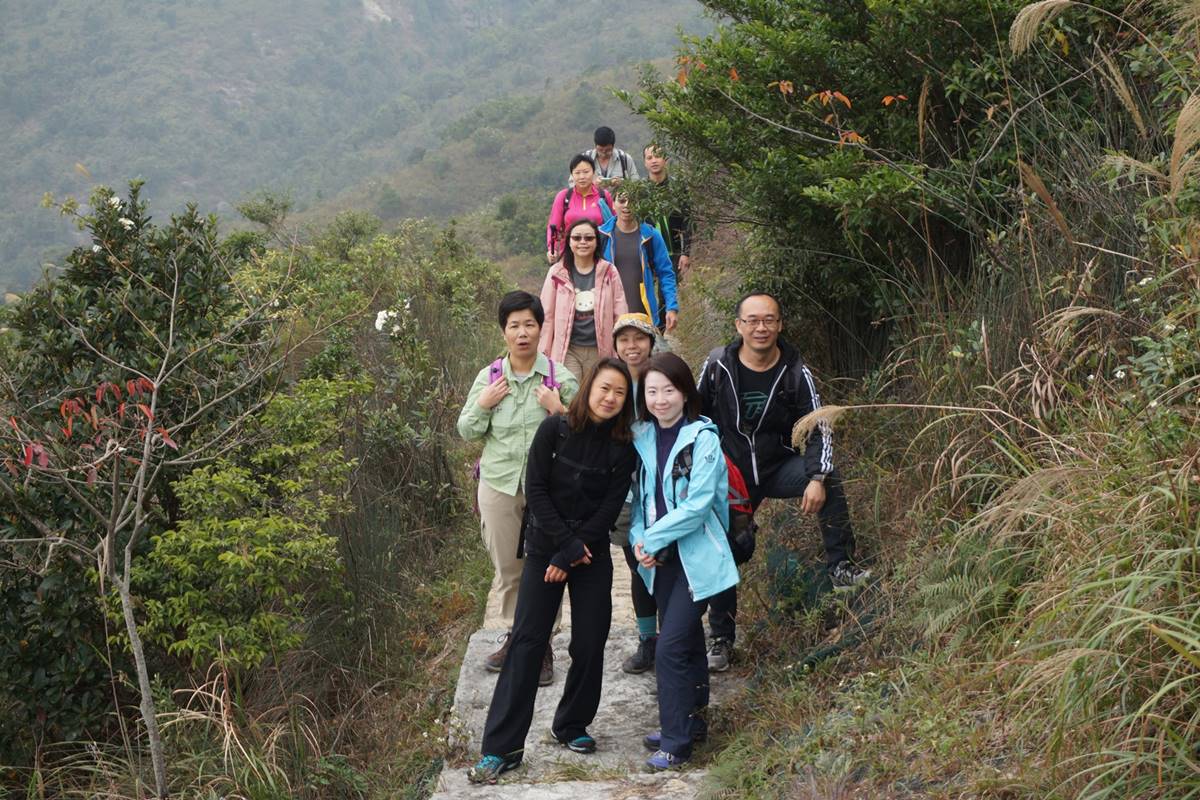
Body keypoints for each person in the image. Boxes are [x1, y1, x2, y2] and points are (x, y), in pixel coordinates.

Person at [468, 359, 638, 785]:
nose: (610, 398)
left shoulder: (623, 448)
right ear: (588, 389)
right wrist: (563, 549)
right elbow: (536, 490)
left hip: (589, 554)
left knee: (591, 638)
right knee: (527, 641)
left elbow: (610, 507)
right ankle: (500, 749)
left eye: (619, 392)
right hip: (547, 547)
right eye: (604, 388)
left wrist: (575, 551)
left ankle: (572, 724)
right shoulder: (554, 430)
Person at [696, 292, 870, 672]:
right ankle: (721, 638)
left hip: (776, 467)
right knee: (726, 550)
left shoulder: (795, 371)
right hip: (731, 475)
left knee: (830, 479)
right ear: (738, 326)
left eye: (769, 320)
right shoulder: (717, 366)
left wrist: (817, 477)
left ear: (780, 325)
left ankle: (841, 566)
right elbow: (695, 418)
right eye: (753, 320)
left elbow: (819, 425)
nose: (761, 327)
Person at [458, 291, 579, 682]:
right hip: (500, 485)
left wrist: (559, 410)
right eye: (514, 326)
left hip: (550, 490)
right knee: (509, 570)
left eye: (529, 324)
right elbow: (466, 430)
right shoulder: (489, 378)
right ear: (504, 332)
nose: (522, 333)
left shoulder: (560, 378)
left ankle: (541, 644)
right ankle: (517, 635)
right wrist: (484, 404)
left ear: (541, 329)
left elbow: (589, 433)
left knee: (544, 567)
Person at [629, 352, 739, 771]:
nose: (660, 400)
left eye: (669, 390)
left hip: (698, 557)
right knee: (688, 642)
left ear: (685, 393)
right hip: (661, 562)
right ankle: (691, 724)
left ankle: (675, 743)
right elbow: (638, 500)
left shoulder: (703, 437)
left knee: (670, 647)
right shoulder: (641, 437)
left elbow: (697, 507)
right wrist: (641, 541)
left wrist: (654, 537)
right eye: (652, 391)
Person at [606, 313, 661, 674]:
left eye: (639, 339)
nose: (631, 346)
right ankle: (648, 642)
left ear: (651, 344)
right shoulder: (611, 382)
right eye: (624, 340)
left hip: (662, 488)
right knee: (637, 565)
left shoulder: (664, 379)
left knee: (668, 563)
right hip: (625, 491)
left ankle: (672, 636)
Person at [539, 218, 628, 381]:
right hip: (568, 350)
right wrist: (543, 354)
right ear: (569, 242)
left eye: (589, 238)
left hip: (600, 349)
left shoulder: (609, 271)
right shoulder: (557, 273)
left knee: (595, 398)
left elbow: (620, 313)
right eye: (576, 238)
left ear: (596, 241)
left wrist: (620, 350)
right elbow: (547, 316)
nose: (583, 242)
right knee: (570, 396)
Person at [598, 193, 679, 333]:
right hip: (610, 316)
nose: (626, 205)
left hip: (644, 316)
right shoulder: (601, 236)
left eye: (632, 201)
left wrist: (671, 307)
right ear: (613, 203)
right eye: (622, 201)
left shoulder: (651, 235)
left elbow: (666, 274)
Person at [547, 154, 615, 264]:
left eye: (586, 172)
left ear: (593, 172)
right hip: (569, 255)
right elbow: (553, 227)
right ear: (572, 175)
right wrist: (552, 249)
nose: (582, 177)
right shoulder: (564, 197)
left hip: (600, 255)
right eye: (577, 173)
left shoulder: (604, 196)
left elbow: (614, 224)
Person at [643, 144, 693, 280]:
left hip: (674, 253)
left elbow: (688, 221)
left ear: (666, 159)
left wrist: (685, 253)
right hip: (648, 254)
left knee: (669, 297)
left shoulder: (678, 188)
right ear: (645, 163)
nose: (654, 160)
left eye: (658, 156)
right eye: (649, 158)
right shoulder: (641, 191)